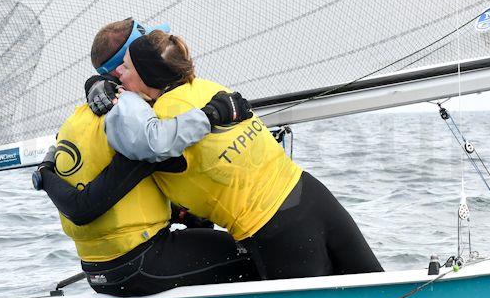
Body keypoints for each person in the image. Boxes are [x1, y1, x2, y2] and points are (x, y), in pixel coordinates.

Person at [77, 25, 384, 280]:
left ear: (144, 75)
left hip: (274, 230)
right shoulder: (207, 86)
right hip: (313, 196)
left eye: (125, 69)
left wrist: (100, 88)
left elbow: (148, 144)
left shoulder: (160, 120)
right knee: (381, 296)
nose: (118, 75)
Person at [35, 18, 258, 297]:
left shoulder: (77, 118)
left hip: (102, 267)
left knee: (201, 230)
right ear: (128, 69)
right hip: (137, 265)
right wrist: (215, 114)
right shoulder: (134, 129)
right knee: (254, 253)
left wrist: (44, 173)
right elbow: (85, 207)